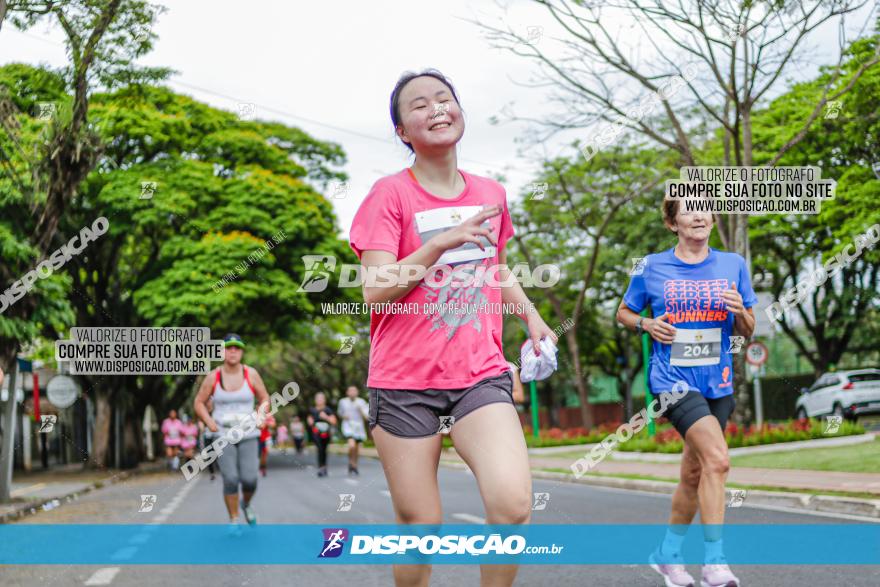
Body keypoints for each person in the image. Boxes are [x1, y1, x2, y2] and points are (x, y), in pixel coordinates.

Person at [348, 69, 557, 587]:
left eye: (444, 99)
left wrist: (529, 314)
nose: (436, 108)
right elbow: (374, 288)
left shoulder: (490, 192)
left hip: (478, 373)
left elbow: (496, 266)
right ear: (402, 131)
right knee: (422, 524)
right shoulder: (389, 195)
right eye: (419, 105)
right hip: (403, 383)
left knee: (511, 505)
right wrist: (441, 242)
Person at [616, 202, 756, 587]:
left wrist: (741, 312)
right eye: (689, 211)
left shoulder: (733, 265)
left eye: (705, 209)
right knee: (718, 460)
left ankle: (668, 554)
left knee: (694, 473)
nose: (699, 216)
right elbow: (623, 313)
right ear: (671, 222)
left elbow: (748, 329)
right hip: (672, 380)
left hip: (718, 381)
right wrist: (645, 322)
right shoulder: (650, 266)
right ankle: (715, 563)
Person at [193, 333, 270, 534]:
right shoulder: (214, 376)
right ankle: (234, 520)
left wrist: (261, 415)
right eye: (229, 348)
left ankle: (246, 504)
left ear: (242, 351)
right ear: (222, 352)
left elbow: (265, 399)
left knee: (250, 479)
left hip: (249, 434)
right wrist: (209, 422)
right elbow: (199, 402)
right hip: (223, 435)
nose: (233, 351)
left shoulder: (250, 374)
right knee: (230, 479)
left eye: (237, 347)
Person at [337, 386, 369, 475]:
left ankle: (354, 465)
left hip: (359, 428)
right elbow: (340, 413)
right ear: (347, 392)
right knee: (351, 445)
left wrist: (361, 410)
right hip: (348, 427)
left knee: (357, 448)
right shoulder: (342, 402)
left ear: (357, 392)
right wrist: (344, 416)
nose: (352, 392)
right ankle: (351, 462)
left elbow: (367, 417)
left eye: (354, 391)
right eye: (350, 391)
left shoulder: (361, 402)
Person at [307, 392, 337, 477]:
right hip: (316, 432)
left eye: (321, 398)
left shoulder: (328, 410)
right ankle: (321, 467)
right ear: (315, 400)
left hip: (326, 433)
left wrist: (326, 417)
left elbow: (334, 421)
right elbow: (309, 419)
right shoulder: (312, 410)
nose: (319, 400)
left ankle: (324, 467)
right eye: (318, 398)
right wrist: (310, 421)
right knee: (319, 448)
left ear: (324, 400)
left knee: (324, 449)